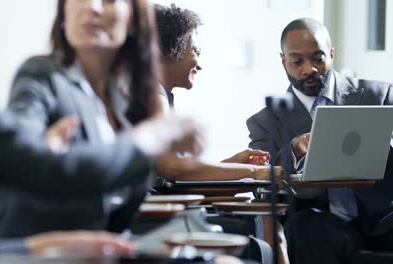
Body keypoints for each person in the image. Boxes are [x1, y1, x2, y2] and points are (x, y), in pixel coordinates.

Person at [0, 0, 202, 254]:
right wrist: (151, 138)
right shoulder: (41, 75)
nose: (92, 7)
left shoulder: (125, 101)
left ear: (133, 20)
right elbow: (35, 160)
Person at [247, 17, 393, 264]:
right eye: (297, 61)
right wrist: (293, 150)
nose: (309, 69)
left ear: (331, 54)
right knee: (304, 226)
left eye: (318, 58)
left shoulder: (379, 95)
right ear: (283, 61)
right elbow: (263, 181)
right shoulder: (265, 121)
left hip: (383, 218)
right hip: (321, 223)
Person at [152, 3, 282, 185]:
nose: (199, 65)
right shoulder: (154, 95)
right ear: (172, 50)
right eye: (195, 51)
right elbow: (173, 169)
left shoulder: (160, 95)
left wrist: (234, 164)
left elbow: (182, 172)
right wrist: (255, 172)